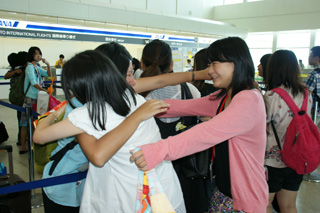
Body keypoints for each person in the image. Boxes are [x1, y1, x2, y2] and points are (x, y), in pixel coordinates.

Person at [35, 41, 210, 212]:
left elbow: (159, 81)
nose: (133, 81)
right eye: (128, 74)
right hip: (73, 180)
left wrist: (52, 114)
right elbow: (98, 155)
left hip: (130, 188)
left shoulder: (118, 98)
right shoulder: (117, 101)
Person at [130, 37, 269, 212]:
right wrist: (140, 108)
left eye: (214, 64)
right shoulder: (224, 96)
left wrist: (158, 150)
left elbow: (206, 133)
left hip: (244, 199)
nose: (209, 71)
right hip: (222, 192)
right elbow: (182, 106)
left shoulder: (249, 99)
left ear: (235, 62)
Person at [138, 39, 204, 212]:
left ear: (142, 64)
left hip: (150, 174)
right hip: (188, 171)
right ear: (171, 65)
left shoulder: (136, 98)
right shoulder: (191, 91)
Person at [264, 50, 312, 213]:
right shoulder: (306, 94)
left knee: (265, 204)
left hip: (273, 160)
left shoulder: (271, 96)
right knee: (289, 206)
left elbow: (262, 127)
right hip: (298, 157)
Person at [20, 46, 51, 154]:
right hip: (30, 98)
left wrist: (47, 64)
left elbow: (48, 74)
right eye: (36, 54)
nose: (39, 56)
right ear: (31, 55)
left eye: (39, 53)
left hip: (37, 97)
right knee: (24, 123)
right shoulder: (29, 67)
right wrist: (44, 90)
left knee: (35, 122)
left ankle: (33, 144)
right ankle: (23, 146)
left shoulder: (36, 67)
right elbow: (33, 82)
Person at [4, 52, 23, 145]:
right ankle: (22, 138)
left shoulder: (19, 68)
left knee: (20, 118)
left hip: (18, 97)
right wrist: (15, 72)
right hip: (20, 97)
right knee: (22, 119)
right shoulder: (16, 69)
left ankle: (22, 138)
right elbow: (5, 76)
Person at [306, 46, 320, 124]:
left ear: (317, 58)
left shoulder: (314, 74)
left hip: (315, 112)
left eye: (310, 56)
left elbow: (306, 92)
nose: (309, 58)